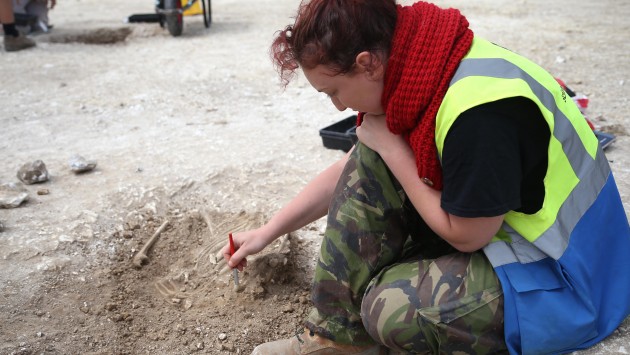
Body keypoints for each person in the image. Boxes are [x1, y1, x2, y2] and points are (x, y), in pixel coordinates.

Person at [222, 0, 630, 354]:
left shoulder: (479, 114)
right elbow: (350, 172)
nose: (337, 106)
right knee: (372, 151)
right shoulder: (424, 65)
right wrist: (268, 231)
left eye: (333, 91)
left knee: (388, 309)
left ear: (367, 63)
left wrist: (395, 152)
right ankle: (336, 342)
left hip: (570, 281)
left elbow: (468, 236)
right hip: (519, 238)